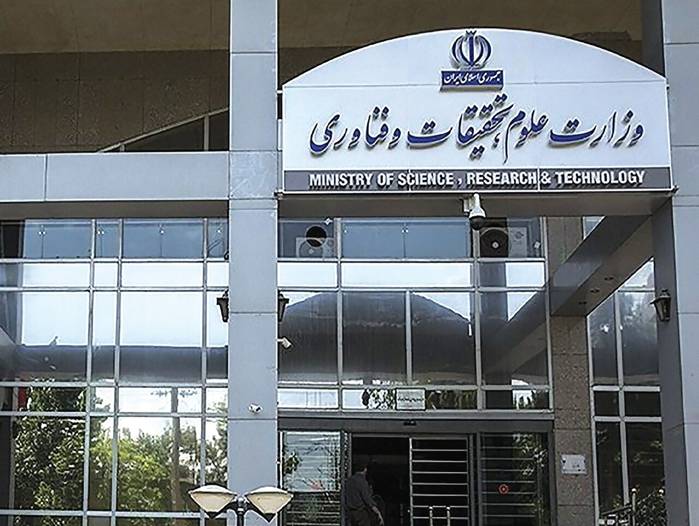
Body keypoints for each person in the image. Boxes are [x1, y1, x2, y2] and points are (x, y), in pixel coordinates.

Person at [343, 462, 384, 526]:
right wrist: (378, 512)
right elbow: (367, 499)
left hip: (350, 514)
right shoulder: (362, 481)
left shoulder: (348, 481)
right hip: (360, 514)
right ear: (365, 469)